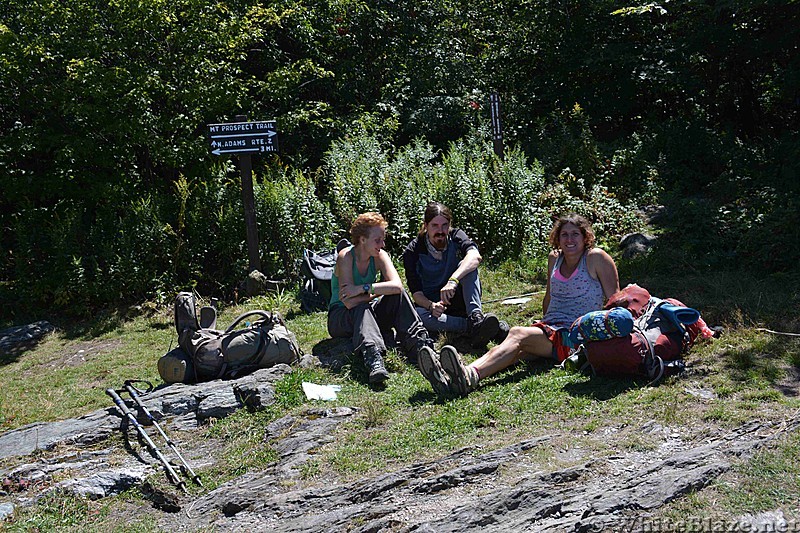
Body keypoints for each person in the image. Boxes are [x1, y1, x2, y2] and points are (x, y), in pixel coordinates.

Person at [417, 213, 620, 396]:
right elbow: (549, 297)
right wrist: (542, 325)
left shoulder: (596, 258)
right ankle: (461, 377)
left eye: (575, 234)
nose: (569, 240)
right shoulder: (554, 259)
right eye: (564, 235)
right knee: (512, 350)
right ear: (557, 239)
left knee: (517, 334)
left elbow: (616, 301)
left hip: (576, 336)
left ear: (585, 237)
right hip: (552, 328)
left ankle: (465, 374)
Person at [328, 212, 435, 384]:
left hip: (368, 310)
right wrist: (376, 293)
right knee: (361, 308)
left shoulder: (380, 256)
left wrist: (364, 289)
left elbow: (396, 286)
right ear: (362, 240)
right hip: (340, 317)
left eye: (383, 239)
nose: (382, 244)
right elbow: (348, 302)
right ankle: (373, 357)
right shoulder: (346, 257)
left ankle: (418, 344)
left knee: (398, 296)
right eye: (378, 240)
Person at [403, 202, 509, 348]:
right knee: (417, 315)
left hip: (459, 297)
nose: (440, 231)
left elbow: (475, 256)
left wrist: (453, 281)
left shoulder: (456, 236)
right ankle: (474, 327)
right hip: (435, 308)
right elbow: (416, 293)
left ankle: (476, 317)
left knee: (468, 266)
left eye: (444, 225)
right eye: (435, 226)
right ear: (426, 226)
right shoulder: (413, 251)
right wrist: (431, 305)